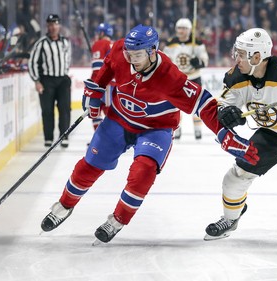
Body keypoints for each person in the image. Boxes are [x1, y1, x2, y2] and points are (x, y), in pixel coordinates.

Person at [40, 24, 259, 244]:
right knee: (90, 164)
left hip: (156, 128)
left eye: (136, 55)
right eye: (128, 53)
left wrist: (225, 135)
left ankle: (117, 219)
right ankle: (64, 206)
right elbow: (106, 68)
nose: (131, 59)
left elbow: (204, 104)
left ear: (152, 51)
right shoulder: (120, 51)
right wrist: (95, 91)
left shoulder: (169, 76)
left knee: (143, 171)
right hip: (119, 118)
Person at [203, 28, 277, 255]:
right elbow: (223, 105)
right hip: (271, 132)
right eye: (237, 53)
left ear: (257, 56)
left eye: (242, 54)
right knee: (235, 178)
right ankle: (230, 219)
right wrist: (227, 113)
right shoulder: (235, 76)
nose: (237, 58)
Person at [28, 14, 72, 148]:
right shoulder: (41, 43)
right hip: (47, 80)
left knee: (65, 109)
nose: (53, 27)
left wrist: (64, 73)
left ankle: (64, 136)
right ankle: (48, 138)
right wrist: (37, 80)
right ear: (47, 26)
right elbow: (32, 62)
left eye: (55, 24)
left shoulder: (65, 42)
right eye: (50, 25)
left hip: (62, 79)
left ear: (59, 26)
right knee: (47, 110)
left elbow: (68, 59)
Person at [163, 18, 209, 140]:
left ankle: (198, 131)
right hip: (177, 79)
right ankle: (177, 129)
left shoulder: (197, 43)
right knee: (175, 105)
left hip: (194, 77)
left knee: (197, 104)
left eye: (184, 28)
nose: (181, 31)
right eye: (179, 28)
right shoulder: (171, 43)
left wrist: (198, 62)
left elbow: (204, 61)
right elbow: (165, 60)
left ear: (189, 30)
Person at [89, 22, 114, 132]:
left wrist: (92, 84)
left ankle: (100, 139)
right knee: (110, 113)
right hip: (114, 85)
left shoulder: (99, 44)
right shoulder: (114, 44)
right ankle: (111, 139)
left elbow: (97, 69)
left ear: (102, 33)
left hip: (103, 84)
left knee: (95, 111)